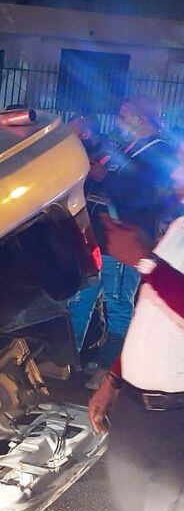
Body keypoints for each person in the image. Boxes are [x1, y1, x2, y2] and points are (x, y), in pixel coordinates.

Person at [87, 158, 184, 511]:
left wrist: (145, 261)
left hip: (175, 420)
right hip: (136, 410)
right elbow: (153, 314)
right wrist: (113, 380)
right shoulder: (179, 226)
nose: (175, 174)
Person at [69, 95, 179, 388]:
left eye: (125, 115)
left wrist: (105, 176)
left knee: (117, 301)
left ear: (141, 119)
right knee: (83, 297)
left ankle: (110, 368)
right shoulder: (130, 147)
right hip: (104, 238)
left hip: (127, 242)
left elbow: (143, 196)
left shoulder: (158, 151)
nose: (118, 119)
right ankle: (70, 356)